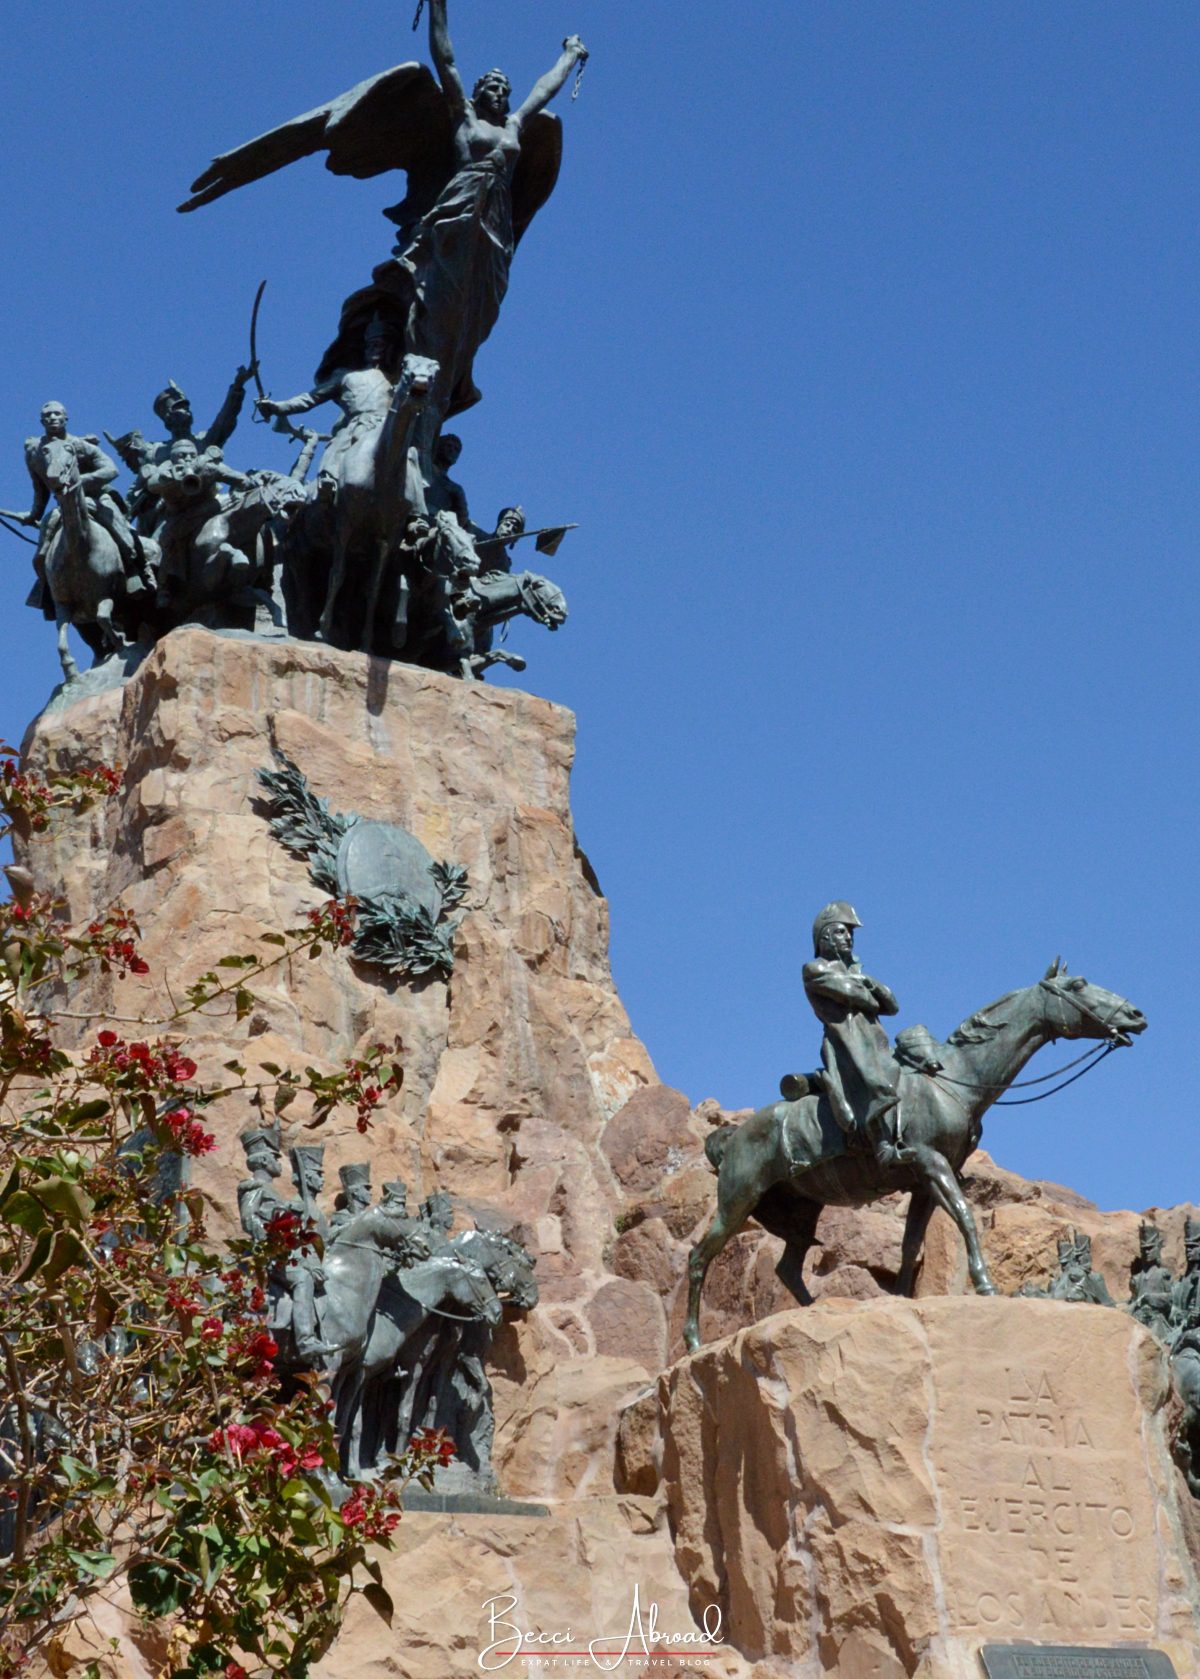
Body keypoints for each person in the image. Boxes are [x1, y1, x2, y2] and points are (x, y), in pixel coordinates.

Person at [802, 902, 913, 1170]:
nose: (849, 937)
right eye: (841, 932)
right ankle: (882, 1146)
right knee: (873, 1078)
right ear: (825, 936)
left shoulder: (857, 972)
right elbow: (861, 998)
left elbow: (892, 1006)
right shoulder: (815, 969)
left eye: (850, 933)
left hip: (873, 1040)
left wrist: (869, 982)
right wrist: (866, 990)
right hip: (847, 1043)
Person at [19, 402, 146, 610]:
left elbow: (111, 470)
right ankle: (47, 588)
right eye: (47, 415)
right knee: (43, 548)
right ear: (41, 421)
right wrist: (33, 514)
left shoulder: (80, 445)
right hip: (64, 503)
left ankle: (136, 574)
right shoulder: (34, 452)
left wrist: (78, 482)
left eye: (57, 414)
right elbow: (40, 489)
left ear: (65, 418)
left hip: (97, 498)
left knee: (125, 534)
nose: (52, 417)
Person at [128, 370, 254, 535]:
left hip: (210, 502)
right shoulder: (154, 451)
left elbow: (227, 419)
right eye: (178, 409)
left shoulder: (205, 440)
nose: (185, 412)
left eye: (186, 408)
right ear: (167, 417)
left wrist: (237, 387)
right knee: (155, 544)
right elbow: (138, 490)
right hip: (171, 512)